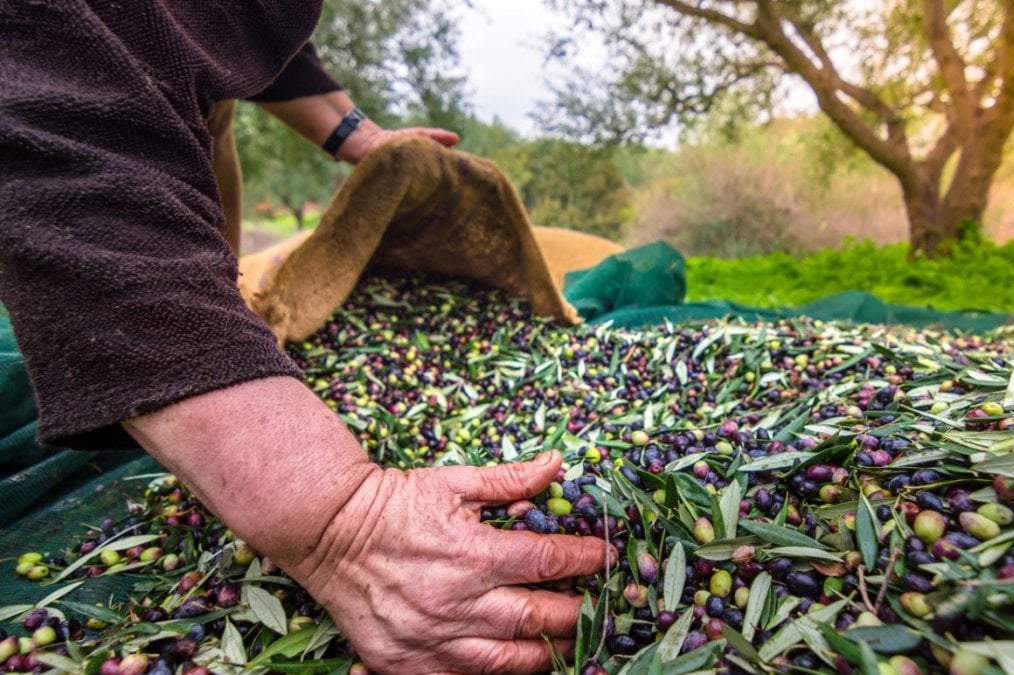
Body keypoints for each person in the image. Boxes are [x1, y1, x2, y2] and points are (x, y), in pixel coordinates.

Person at [0, 2, 612, 673]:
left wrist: (356, 135)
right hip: (64, 127)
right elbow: (59, 129)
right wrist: (340, 521)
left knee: (206, 178)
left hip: (154, 110)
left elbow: (229, 17)